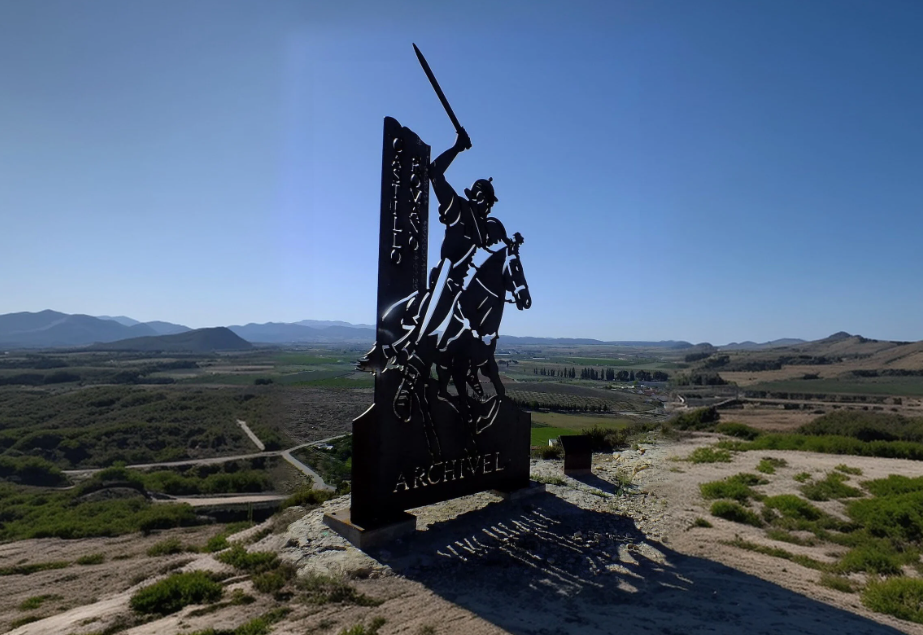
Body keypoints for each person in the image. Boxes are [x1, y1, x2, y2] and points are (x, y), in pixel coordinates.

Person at [390, 128, 509, 421]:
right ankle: (408, 382)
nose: (486, 204)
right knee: (432, 328)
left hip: (469, 289)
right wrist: (456, 148)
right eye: (483, 197)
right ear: (475, 195)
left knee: (480, 338)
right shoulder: (459, 209)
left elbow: (499, 247)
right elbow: (434, 174)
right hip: (447, 280)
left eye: (489, 201)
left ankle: (469, 381)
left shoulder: (487, 229)